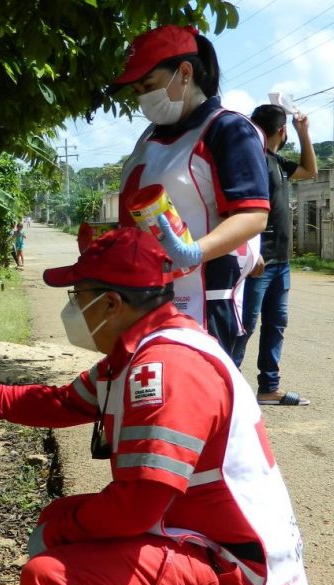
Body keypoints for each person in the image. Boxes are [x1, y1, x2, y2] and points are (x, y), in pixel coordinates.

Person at [0, 228, 311, 585]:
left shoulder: (165, 368)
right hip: (216, 550)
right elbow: (60, 403)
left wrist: (69, 528)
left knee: (50, 580)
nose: (73, 308)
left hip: (239, 575)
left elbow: (138, 507)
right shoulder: (140, 352)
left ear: (110, 304)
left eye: (77, 296)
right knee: (53, 527)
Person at [113, 25, 270, 354]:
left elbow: (252, 216)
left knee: (195, 396)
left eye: (149, 85)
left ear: (185, 72)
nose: (142, 97)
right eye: (137, 90)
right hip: (148, 298)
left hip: (201, 303)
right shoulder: (150, 137)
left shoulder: (227, 130)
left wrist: (193, 251)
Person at [229, 105, 316, 406]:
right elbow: (242, 208)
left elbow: (309, 170)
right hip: (258, 263)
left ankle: (268, 388)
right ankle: (225, 387)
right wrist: (252, 252)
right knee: (246, 324)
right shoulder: (253, 161)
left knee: (276, 323)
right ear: (282, 130)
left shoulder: (276, 161)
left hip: (281, 262)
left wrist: (304, 132)